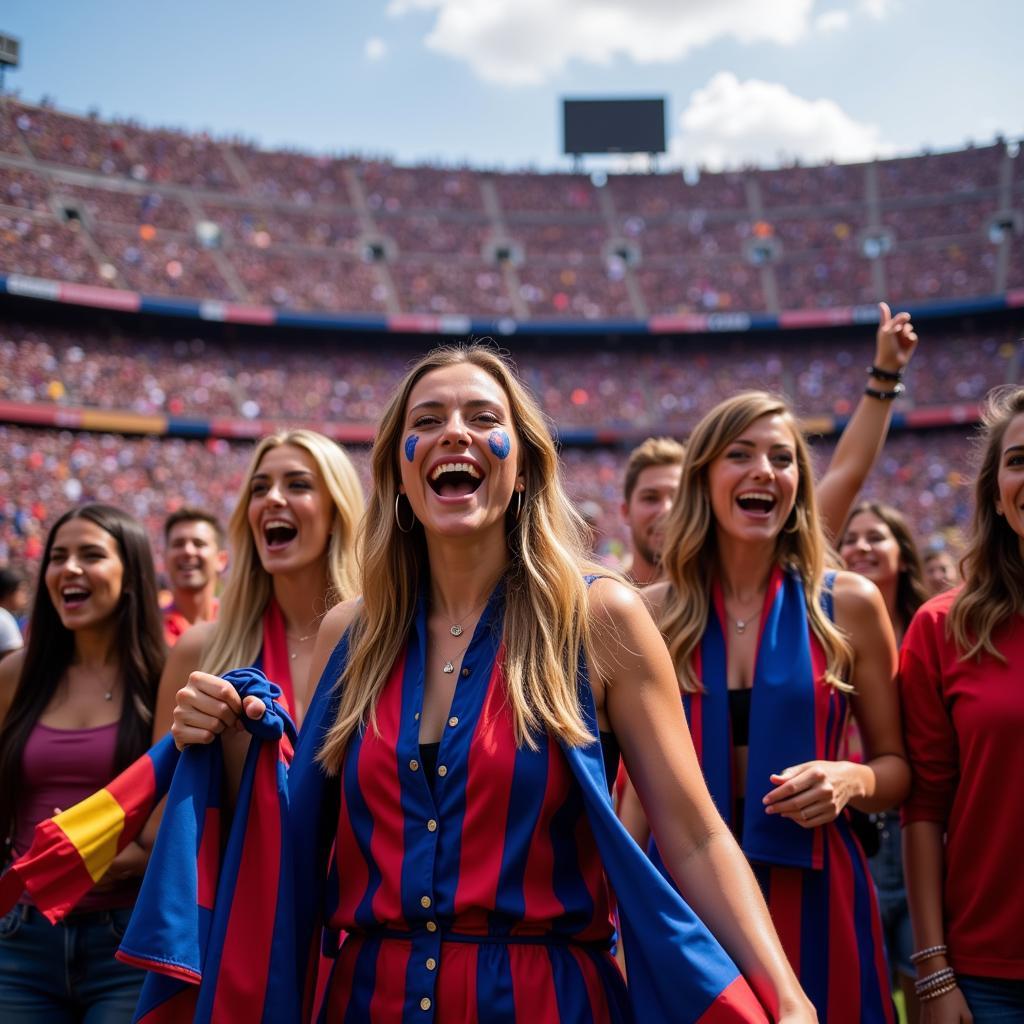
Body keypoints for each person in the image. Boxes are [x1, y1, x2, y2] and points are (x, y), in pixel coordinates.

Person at [173, 346, 815, 1021]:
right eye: (429, 419)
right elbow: (301, 835)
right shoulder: (348, 633)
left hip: (546, 1000)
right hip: (368, 1001)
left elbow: (694, 835)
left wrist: (786, 995)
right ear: (399, 466)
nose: (455, 432)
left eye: (483, 417)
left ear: (525, 465)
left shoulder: (601, 618)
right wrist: (222, 740)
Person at [628, 391, 910, 1023]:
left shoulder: (851, 604)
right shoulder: (651, 615)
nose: (764, 470)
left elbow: (896, 769)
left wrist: (849, 777)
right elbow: (633, 796)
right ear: (704, 476)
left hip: (821, 893)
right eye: (741, 454)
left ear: (798, 485)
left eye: (782, 459)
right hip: (684, 902)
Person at [0, 504, 165, 1023]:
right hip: (19, 939)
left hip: (127, 940)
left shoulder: (166, 677)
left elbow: (184, 813)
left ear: (131, 572)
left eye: (90, 555)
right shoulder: (15, 675)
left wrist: (130, 857)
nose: (69, 569)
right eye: (58, 557)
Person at [618, 301, 919, 586]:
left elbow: (847, 473)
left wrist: (885, 375)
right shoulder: (607, 603)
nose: (667, 510)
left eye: (781, 458)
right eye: (650, 498)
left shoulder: (806, 585)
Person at [900, 386, 1024, 1022]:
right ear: (996, 496)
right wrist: (933, 966)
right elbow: (924, 808)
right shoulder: (941, 629)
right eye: (1019, 459)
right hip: (986, 977)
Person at [153, 429, 363, 737]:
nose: (273, 498)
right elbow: (163, 782)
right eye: (259, 489)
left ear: (336, 513)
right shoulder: (199, 651)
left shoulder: (381, 643)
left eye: (298, 485)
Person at [839, 501, 930, 1022]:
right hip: (857, 823)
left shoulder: (931, 628)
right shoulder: (827, 632)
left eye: (876, 538)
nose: (861, 547)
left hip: (919, 824)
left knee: (925, 982)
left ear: (903, 553)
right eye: (851, 539)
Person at [621, 437, 686, 585]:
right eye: (650, 498)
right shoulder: (599, 602)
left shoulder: (726, 600)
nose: (666, 510)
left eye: (679, 498)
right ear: (626, 512)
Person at [161, 507, 228, 647]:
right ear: (164, 559)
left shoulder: (240, 625)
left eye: (199, 544)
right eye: (178, 544)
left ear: (221, 559)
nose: (188, 551)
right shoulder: (148, 630)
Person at [0, 568, 27, 661]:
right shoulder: (4, 619)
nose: (25, 595)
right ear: (9, 593)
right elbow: (13, 661)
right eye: (22, 590)